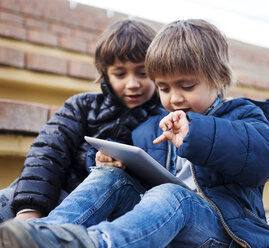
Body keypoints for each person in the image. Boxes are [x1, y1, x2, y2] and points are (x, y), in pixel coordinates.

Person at [0, 19, 269, 248]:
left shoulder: (242, 115)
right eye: (164, 88)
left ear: (221, 78)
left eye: (187, 87)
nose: (174, 98)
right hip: (169, 228)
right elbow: (140, 183)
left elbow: (265, 157)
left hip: (225, 233)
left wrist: (197, 132)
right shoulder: (151, 127)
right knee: (113, 177)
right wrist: (106, 163)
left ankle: (96, 242)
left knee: (173, 195)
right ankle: (45, 236)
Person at [0, 19, 163, 223]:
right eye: (120, 74)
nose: (132, 84)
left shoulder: (166, 119)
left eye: (143, 73)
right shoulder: (81, 105)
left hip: (114, 212)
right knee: (7, 199)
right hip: (59, 193)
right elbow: (47, 154)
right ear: (105, 74)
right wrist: (29, 209)